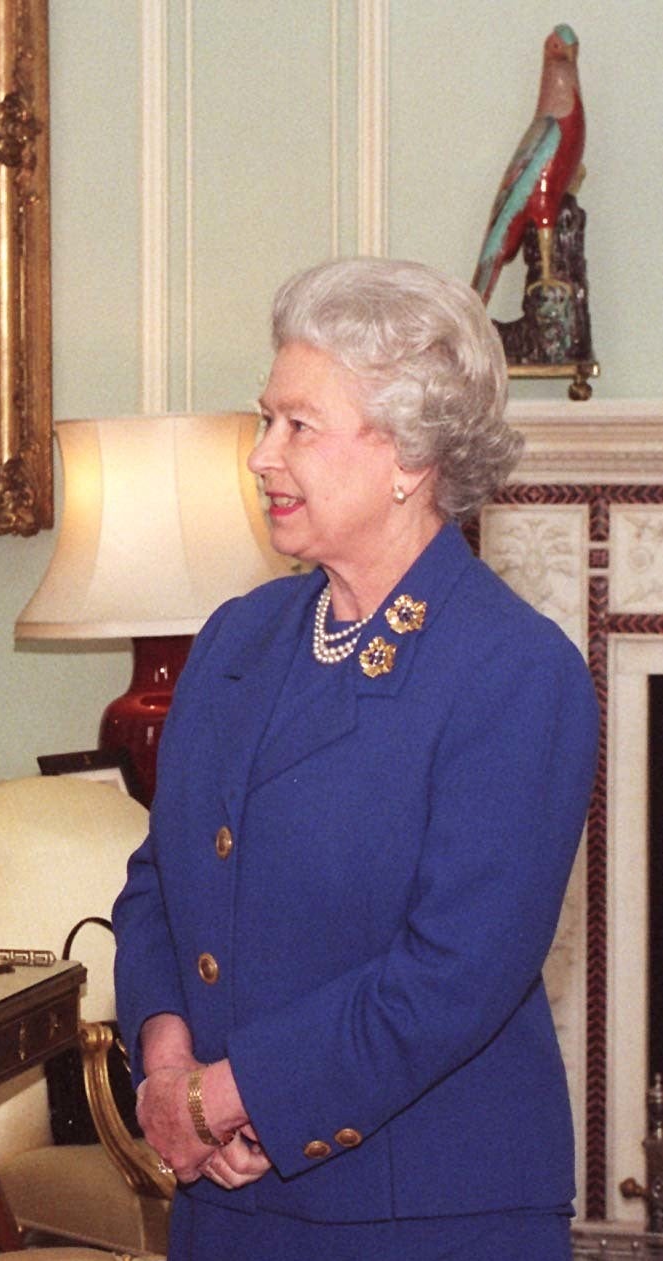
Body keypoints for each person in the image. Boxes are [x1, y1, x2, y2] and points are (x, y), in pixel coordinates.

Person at [112, 257, 598, 1260]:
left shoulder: (512, 670)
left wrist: (232, 1098)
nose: (259, 456)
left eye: (298, 425)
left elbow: (451, 973)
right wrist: (168, 1070)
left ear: (409, 459)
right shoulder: (237, 637)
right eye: (264, 420)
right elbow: (158, 881)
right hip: (226, 1205)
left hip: (418, 1213)